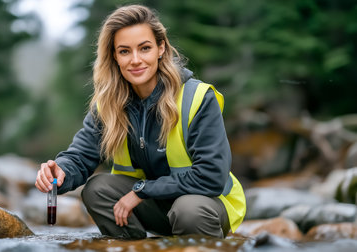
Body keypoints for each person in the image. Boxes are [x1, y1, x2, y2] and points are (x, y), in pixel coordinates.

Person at [35, 4, 246, 239]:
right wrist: (60, 172)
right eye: (125, 51)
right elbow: (81, 156)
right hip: (155, 206)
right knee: (97, 190)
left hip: (206, 206)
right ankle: (133, 245)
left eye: (144, 48)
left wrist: (142, 190)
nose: (135, 60)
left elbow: (211, 175)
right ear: (114, 56)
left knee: (188, 210)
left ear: (160, 48)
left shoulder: (197, 98)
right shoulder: (108, 105)